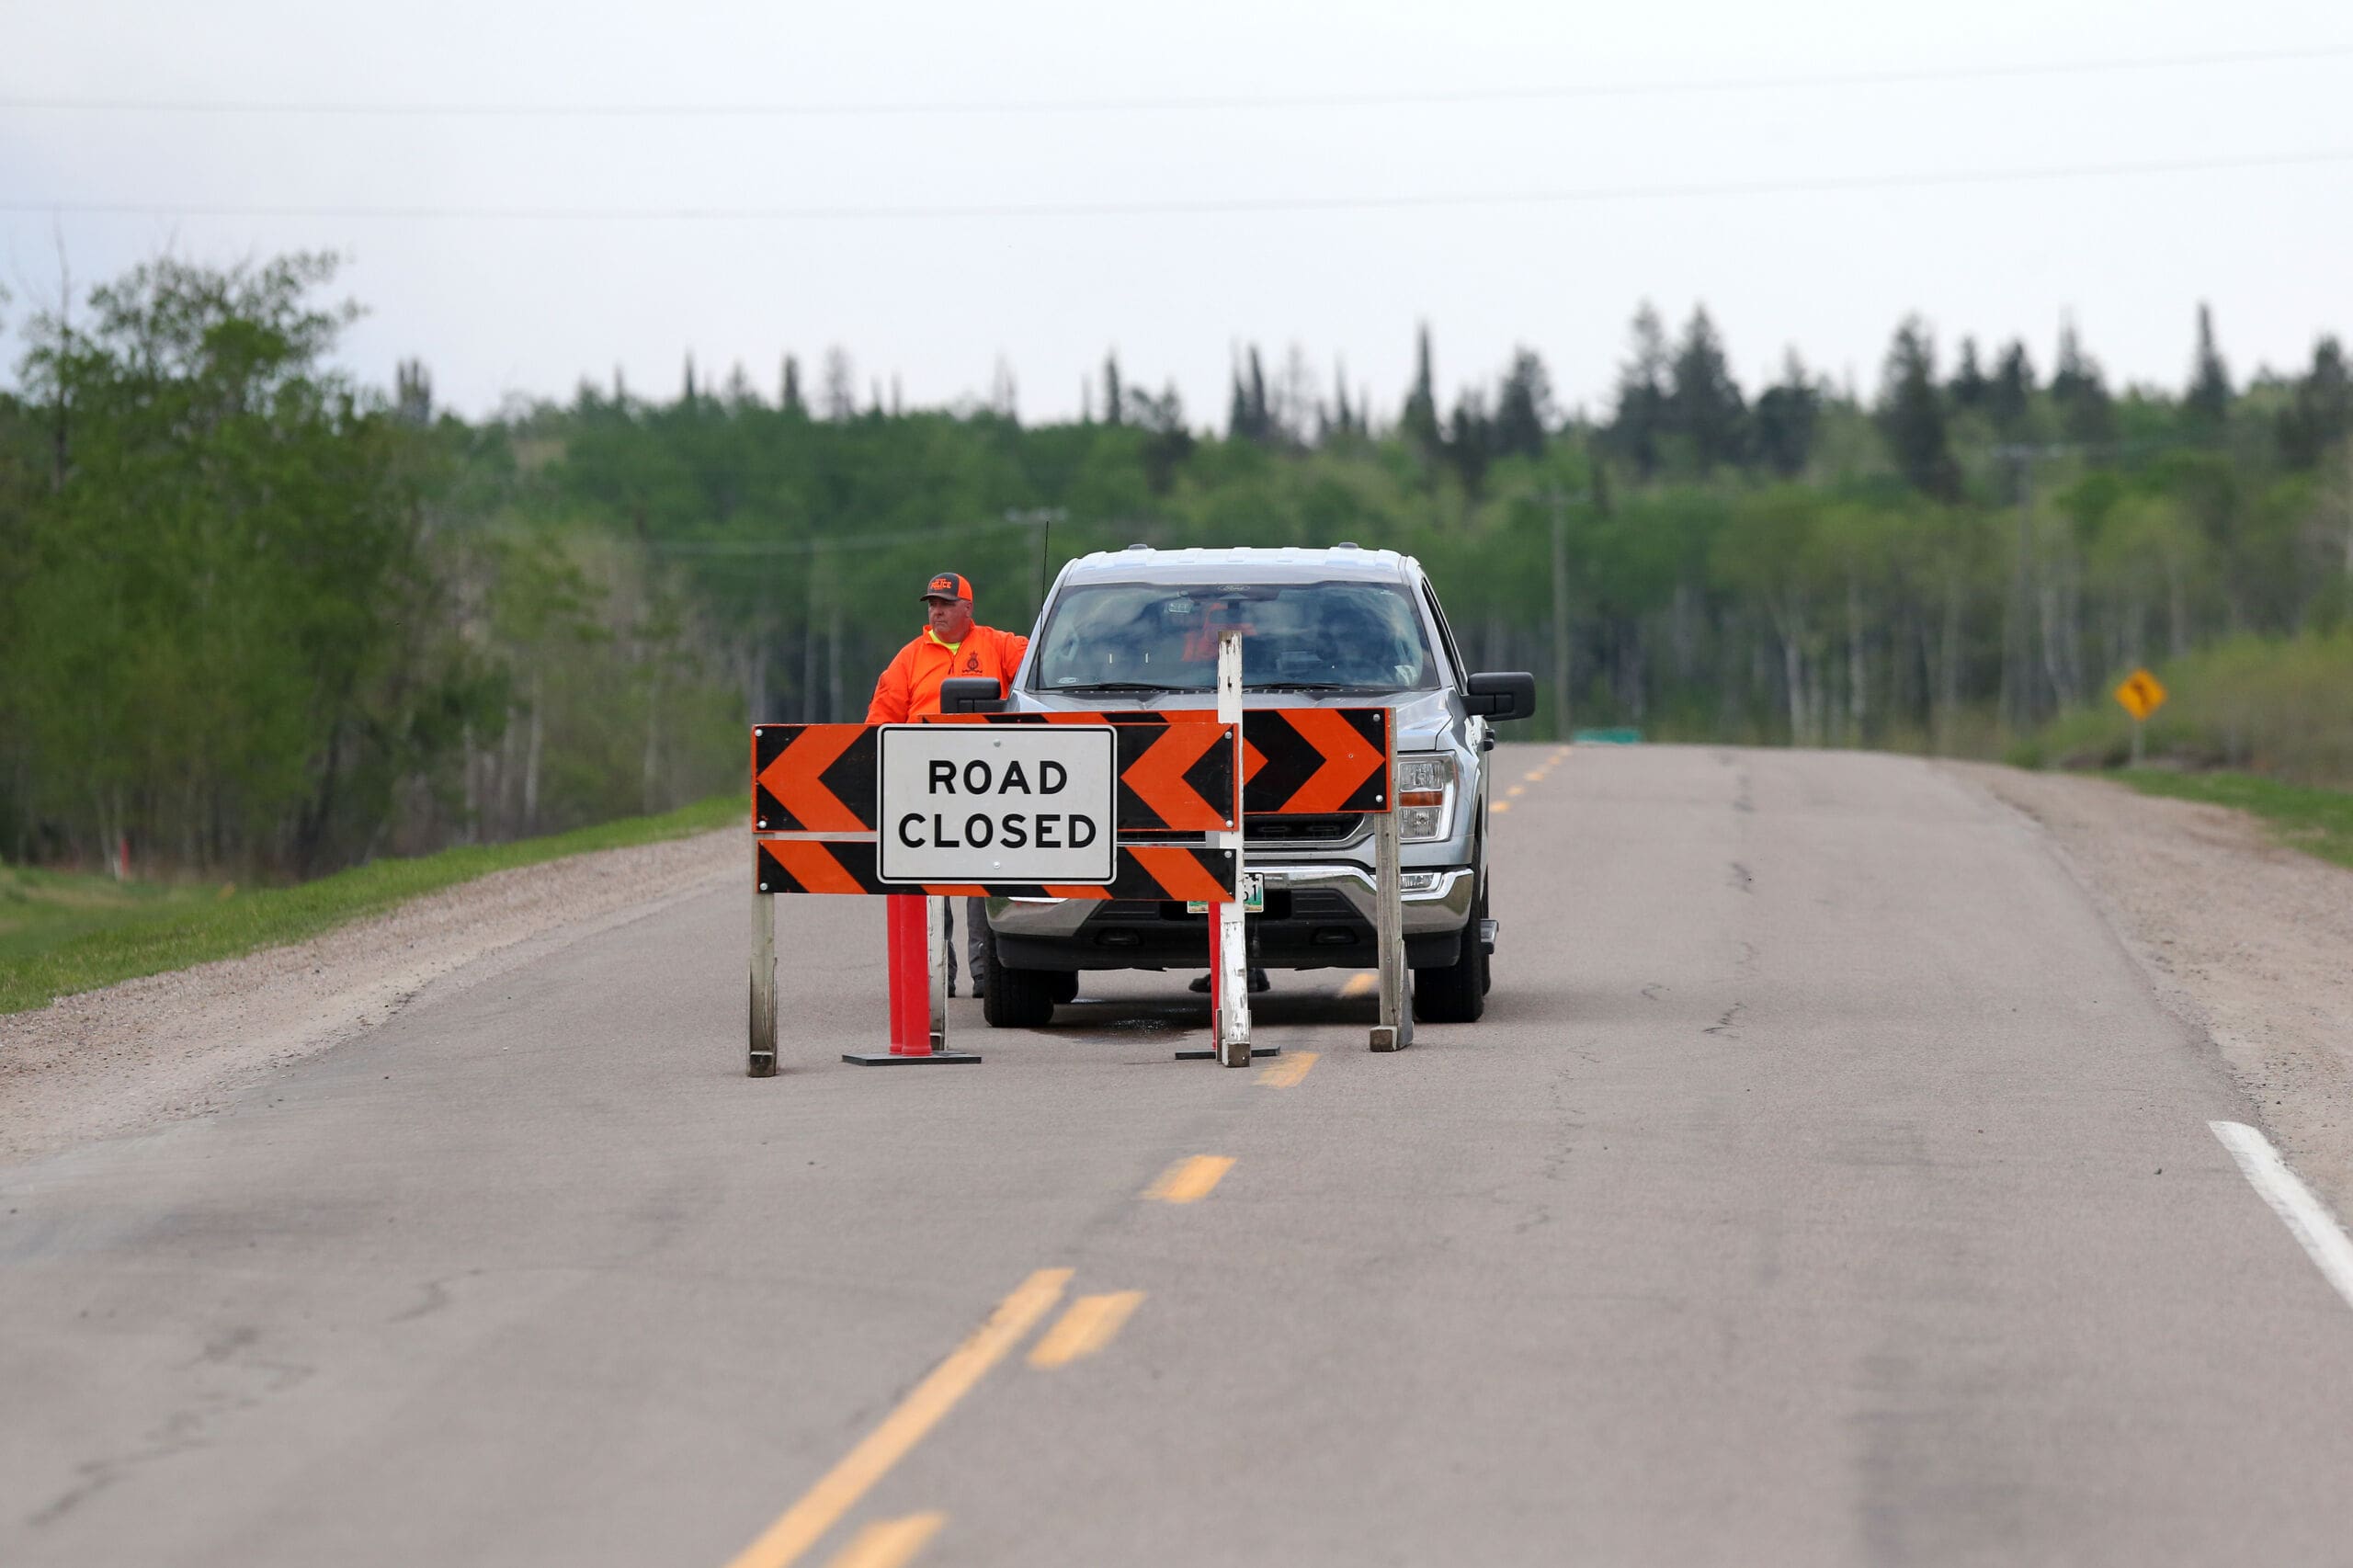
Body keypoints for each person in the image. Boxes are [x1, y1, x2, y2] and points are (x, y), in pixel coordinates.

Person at [865, 572, 1029, 999]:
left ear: (967, 608)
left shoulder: (998, 645)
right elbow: (880, 719)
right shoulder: (910, 658)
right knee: (931, 882)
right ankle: (938, 976)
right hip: (926, 783)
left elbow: (1039, 668)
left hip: (989, 784)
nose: (936, 611)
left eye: (945, 604)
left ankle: (985, 975)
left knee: (984, 879)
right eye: (932, 605)